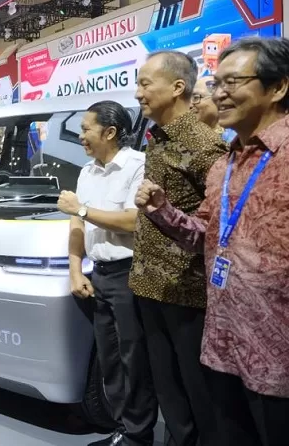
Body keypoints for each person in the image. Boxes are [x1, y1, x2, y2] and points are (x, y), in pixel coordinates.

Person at [135, 38, 289, 446]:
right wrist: (162, 210)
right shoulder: (225, 164)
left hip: (278, 358)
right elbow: (206, 235)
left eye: (232, 82)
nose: (218, 94)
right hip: (223, 346)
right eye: (216, 83)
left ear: (278, 87)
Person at [130, 50, 228, 446]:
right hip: (150, 285)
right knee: (168, 389)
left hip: (188, 294)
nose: (138, 93)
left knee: (199, 394)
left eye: (144, 83)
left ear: (177, 87)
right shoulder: (158, 137)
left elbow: (220, 227)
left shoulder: (206, 147)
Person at [57, 101, 157, 446]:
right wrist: (75, 271)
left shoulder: (137, 166)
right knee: (110, 359)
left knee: (134, 358)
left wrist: (81, 208)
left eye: (86, 129)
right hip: (98, 274)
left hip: (129, 274)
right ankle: (123, 428)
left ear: (110, 132)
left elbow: (134, 221)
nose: (82, 136)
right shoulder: (88, 171)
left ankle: (138, 434)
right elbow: (76, 223)